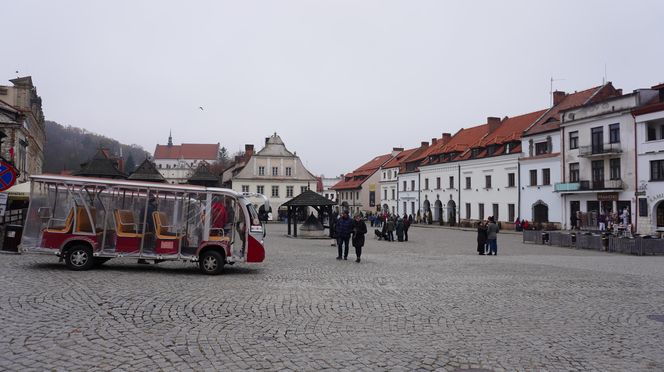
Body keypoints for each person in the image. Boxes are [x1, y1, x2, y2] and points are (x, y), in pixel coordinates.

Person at [138, 195, 158, 264]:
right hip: (146, 228)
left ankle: (143, 258)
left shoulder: (149, 207)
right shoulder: (150, 208)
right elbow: (150, 220)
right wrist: (154, 229)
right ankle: (154, 255)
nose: (157, 203)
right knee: (151, 239)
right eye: (156, 201)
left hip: (145, 227)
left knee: (151, 238)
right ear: (153, 201)